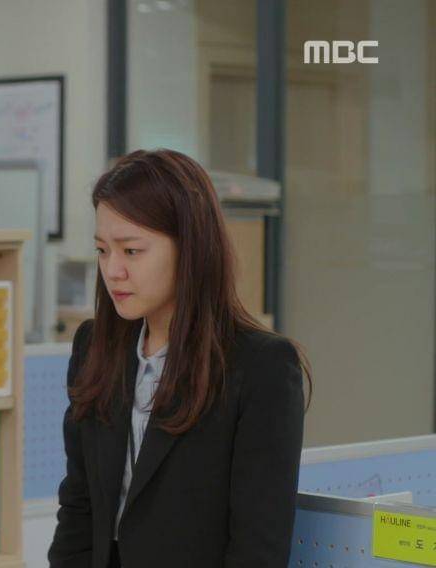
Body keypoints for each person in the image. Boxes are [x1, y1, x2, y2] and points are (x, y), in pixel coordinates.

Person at [48, 149, 310, 567]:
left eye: (131, 251)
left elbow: (257, 549)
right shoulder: (95, 346)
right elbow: (80, 509)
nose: (112, 270)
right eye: (102, 250)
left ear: (190, 249)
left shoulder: (261, 368)